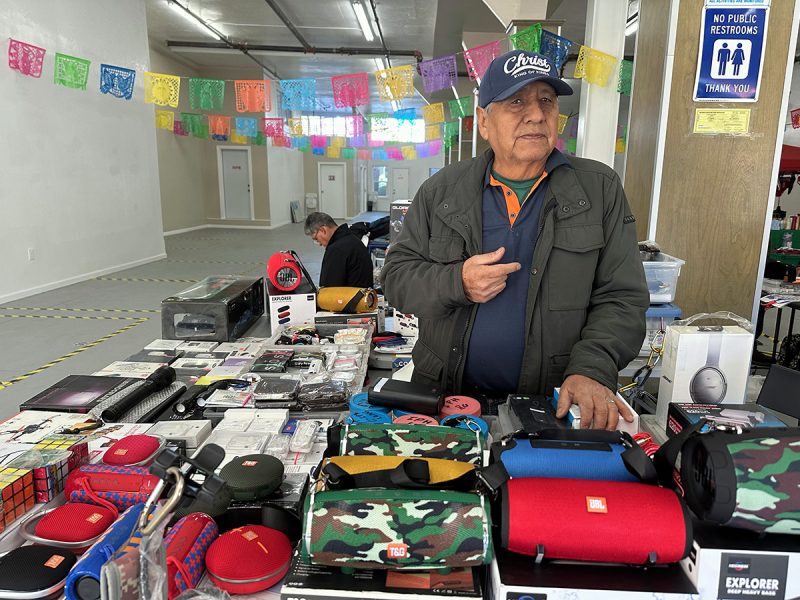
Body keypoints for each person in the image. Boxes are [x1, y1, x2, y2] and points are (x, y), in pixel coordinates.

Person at [381, 50, 649, 430]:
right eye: (517, 102)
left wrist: (592, 367)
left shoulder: (599, 189)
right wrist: (456, 282)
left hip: (551, 407)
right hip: (446, 402)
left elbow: (622, 298)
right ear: (486, 122)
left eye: (546, 101)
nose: (536, 114)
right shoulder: (441, 191)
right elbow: (397, 279)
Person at [304, 212, 374, 288]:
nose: (319, 244)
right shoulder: (352, 238)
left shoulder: (336, 250)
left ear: (322, 230)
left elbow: (328, 290)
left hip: (350, 297)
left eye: (316, 239)